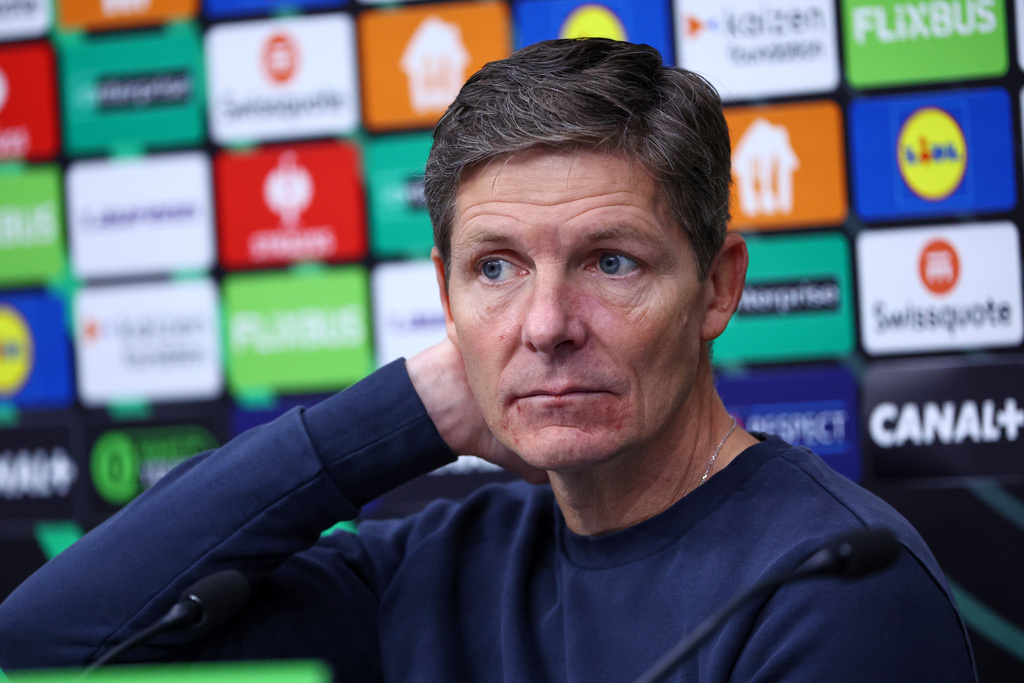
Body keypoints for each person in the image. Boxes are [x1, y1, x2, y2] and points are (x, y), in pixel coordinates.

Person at [0, 39, 974, 682]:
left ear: (717, 287)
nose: (546, 322)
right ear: (446, 296)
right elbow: (42, 649)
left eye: (610, 261)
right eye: (495, 268)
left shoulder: (833, 585)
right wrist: (398, 415)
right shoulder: (433, 568)